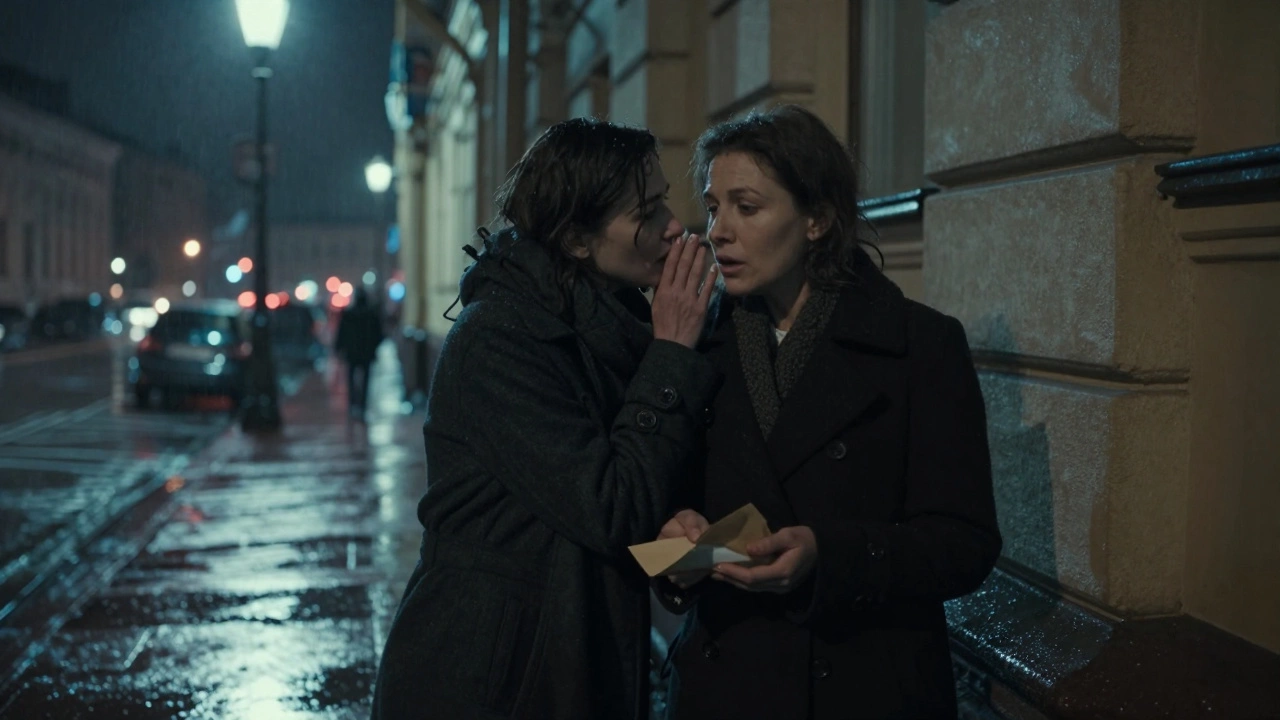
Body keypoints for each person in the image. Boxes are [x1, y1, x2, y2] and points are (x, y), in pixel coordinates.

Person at [656, 105, 1002, 720]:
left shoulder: (918, 346)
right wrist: (673, 550)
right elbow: (655, 510)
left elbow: (964, 542)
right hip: (726, 684)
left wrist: (829, 556)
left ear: (816, 218)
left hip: (863, 686)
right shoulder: (697, 348)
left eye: (747, 206)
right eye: (713, 208)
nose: (718, 231)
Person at [371, 117, 721, 719]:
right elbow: (614, 509)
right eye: (646, 213)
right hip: (489, 682)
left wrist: (687, 561)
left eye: (665, 201)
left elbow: (638, 513)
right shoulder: (501, 340)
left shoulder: (610, 329)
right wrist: (671, 356)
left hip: (572, 662)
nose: (672, 228)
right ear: (578, 240)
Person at [333, 286, 385, 417]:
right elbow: (379, 335)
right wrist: (374, 347)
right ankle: (362, 405)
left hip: (352, 353)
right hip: (367, 353)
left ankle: (352, 404)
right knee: (366, 379)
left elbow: (341, 333)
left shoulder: (348, 314)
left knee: (351, 378)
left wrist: (339, 348)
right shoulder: (371, 314)